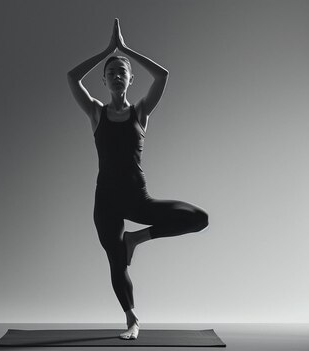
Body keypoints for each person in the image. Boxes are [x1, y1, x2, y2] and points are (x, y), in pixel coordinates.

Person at [66, 18, 209, 340]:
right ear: (104, 81)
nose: (117, 76)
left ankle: (137, 238)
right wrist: (106, 51)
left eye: (122, 72)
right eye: (111, 73)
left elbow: (163, 75)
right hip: (106, 202)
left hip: (136, 197)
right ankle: (132, 320)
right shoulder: (95, 112)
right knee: (117, 263)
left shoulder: (141, 112)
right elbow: (72, 77)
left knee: (199, 218)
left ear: (130, 79)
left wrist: (126, 49)